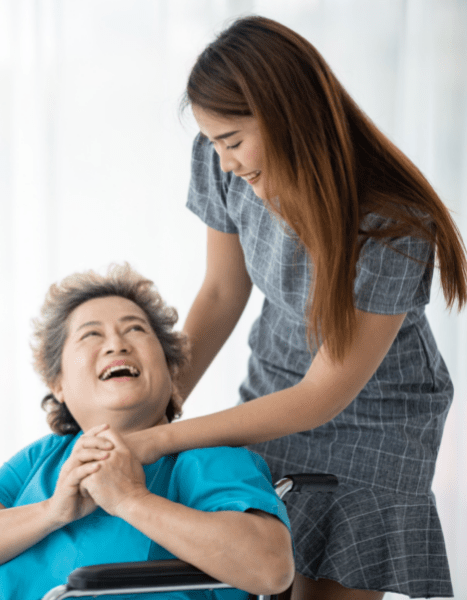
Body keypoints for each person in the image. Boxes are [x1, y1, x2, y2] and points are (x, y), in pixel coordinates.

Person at [119, 16, 467, 600]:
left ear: (286, 117)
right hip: (274, 386)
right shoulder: (221, 164)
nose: (224, 161)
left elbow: (322, 395)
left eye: (232, 141)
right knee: (260, 576)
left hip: (376, 422)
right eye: (214, 143)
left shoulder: (393, 225)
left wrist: (163, 439)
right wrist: (158, 405)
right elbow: (222, 294)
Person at [0, 264, 295, 600]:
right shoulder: (43, 459)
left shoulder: (207, 457)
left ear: (170, 372)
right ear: (59, 384)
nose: (117, 344)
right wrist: (53, 511)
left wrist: (131, 500)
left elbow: (271, 568)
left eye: (135, 329)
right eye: (90, 335)